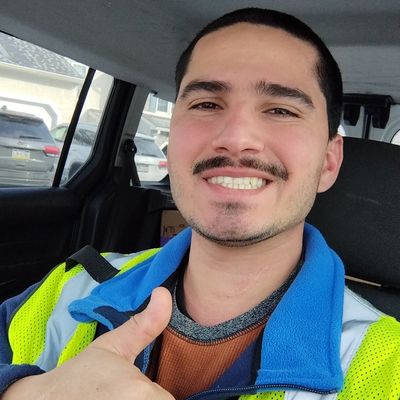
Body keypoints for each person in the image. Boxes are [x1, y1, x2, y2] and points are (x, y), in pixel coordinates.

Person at [1, 7, 400, 400]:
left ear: (328, 162)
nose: (236, 138)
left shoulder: (386, 362)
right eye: (206, 104)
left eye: (281, 110)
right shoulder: (75, 287)